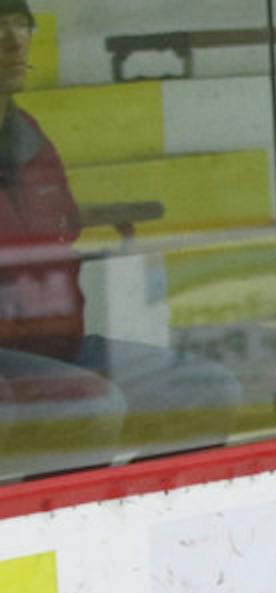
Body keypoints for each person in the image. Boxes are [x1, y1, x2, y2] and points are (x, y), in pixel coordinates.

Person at [0, 0, 239, 482]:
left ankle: (129, 524)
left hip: (58, 348)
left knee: (206, 388)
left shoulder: (29, 137)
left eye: (21, 25)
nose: (14, 42)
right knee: (89, 404)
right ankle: (63, 532)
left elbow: (61, 239)